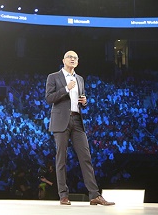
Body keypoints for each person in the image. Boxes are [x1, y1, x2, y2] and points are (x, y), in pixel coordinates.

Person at [45, 50, 114, 206]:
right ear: (63, 60)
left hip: (77, 120)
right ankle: (63, 195)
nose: (72, 59)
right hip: (61, 120)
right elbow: (49, 98)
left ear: (78, 62)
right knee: (61, 159)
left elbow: (80, 98)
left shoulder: (80, 79)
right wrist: (66, 89)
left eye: (75, 58)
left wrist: (84, 101)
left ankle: (94, 195)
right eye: (70, 57)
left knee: (86, 157)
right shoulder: (53, 77)